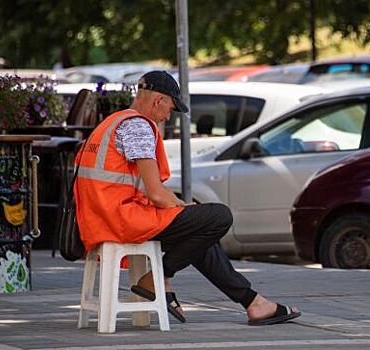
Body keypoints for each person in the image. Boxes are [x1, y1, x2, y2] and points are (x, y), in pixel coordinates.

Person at [74, 70, 300, 326]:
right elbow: (156, 192)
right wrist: (184, 207)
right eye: (169, 108)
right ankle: (158, 277)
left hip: (100, 218)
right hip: (121, 220)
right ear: (159, 100)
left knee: (201, 234)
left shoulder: (113, 122)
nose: (168, 116)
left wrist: (184, 211)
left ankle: (254, 303)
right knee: (218, 217)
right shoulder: (138, 127)